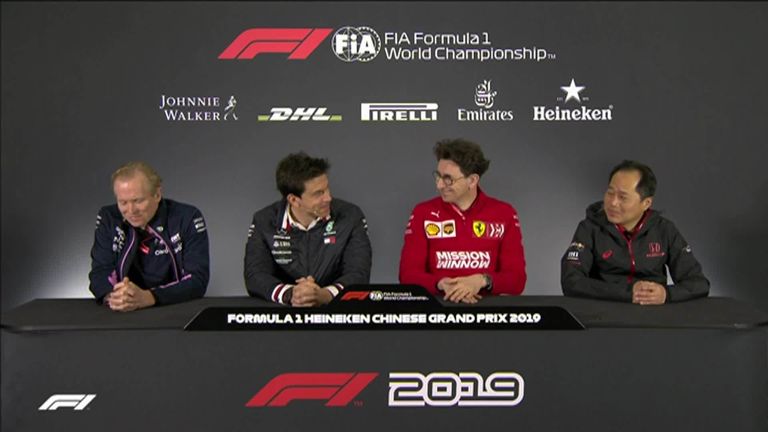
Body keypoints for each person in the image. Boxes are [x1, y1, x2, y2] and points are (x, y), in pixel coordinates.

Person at [561, 160, 709, 304]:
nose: (613, 203)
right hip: (604, 309)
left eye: (623, 197)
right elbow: (572, 281)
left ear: (646, 203)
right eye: (610, 193)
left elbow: (698, 283)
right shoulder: (589, 228)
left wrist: (666, 294)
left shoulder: (664, 230)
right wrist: (628, 293)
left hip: (652, 313)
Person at [399, 138, 527, 303]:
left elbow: (517, 279)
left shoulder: (504, 213)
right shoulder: (423, 212)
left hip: (487, 312)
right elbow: (408, 274)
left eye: (448, 179)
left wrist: (481, 281)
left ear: (472, 180)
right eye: (438, 176)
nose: (439, 185)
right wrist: (440, 284)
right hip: (438, 310)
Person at [244, 152, 372, 306]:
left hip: (336, 311)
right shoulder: (264, 221)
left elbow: (358, 273)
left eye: (327, 189)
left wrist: (325, 295)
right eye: (319, 193)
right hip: (284, 314)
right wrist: (291, 294)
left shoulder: (351, 216)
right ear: (293, 200)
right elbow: (255, 275)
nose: (328, 198)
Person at [89, 161, 210, 311]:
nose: (131, 210)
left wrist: (149, 297)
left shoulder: (187, 217)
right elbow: (100, 271)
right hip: (123, 312)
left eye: (138, 201)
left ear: (157, 194)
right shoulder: (109, 217)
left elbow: (197, 280)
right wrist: (116, 296)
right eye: (123, 202)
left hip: (173, 308)